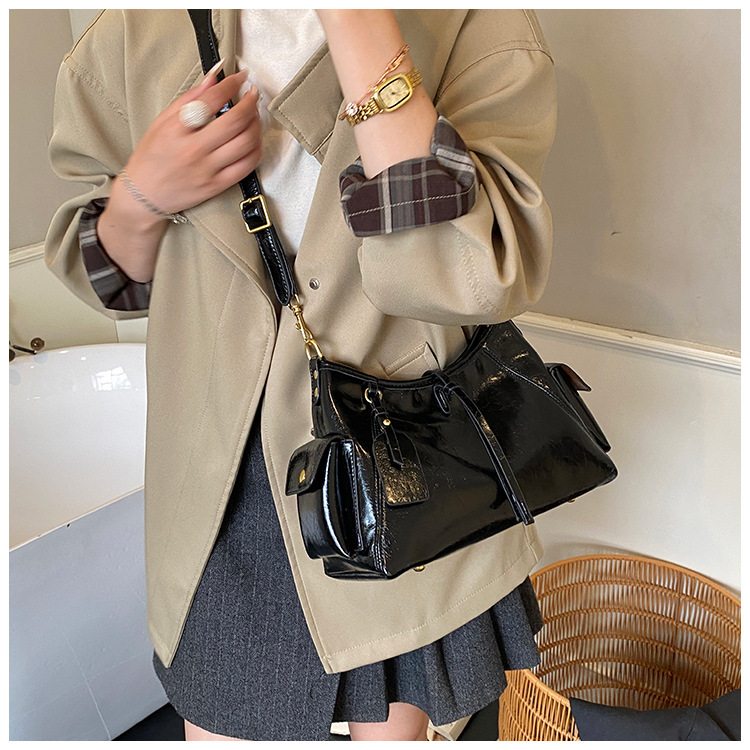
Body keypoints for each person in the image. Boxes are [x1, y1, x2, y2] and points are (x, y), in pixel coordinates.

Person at [45, 9, 557, 742]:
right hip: (219, 477)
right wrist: (144, 192)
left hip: (400, 465)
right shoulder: (135, 31)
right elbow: (105, 275)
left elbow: (467, 278)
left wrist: (359, 26)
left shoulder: (467, 22)